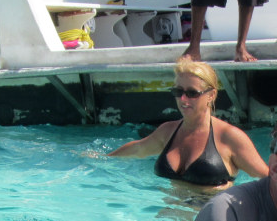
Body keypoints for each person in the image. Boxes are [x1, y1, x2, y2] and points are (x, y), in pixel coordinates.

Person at [109, 58, 268, 188]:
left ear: (211, 95)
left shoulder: (229, 137)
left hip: (209, 220)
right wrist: (101, 158)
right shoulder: (168, 131)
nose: (183, 99)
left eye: (192, 93)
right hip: (168, 220)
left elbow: (268, 178)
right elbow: (138, 149)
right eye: (178, 92)